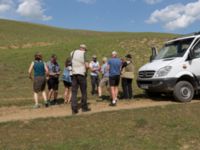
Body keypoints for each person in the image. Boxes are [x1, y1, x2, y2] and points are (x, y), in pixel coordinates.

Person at [71, 44, 91, 114]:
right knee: (83, 91)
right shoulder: (84, 53)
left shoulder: (73, 52)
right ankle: (84, 107)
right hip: (81, 74)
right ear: (84, 49)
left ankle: (74, 109)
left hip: (73, 74)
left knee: (74, 92)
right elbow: (87, 65)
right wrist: (88, 67)